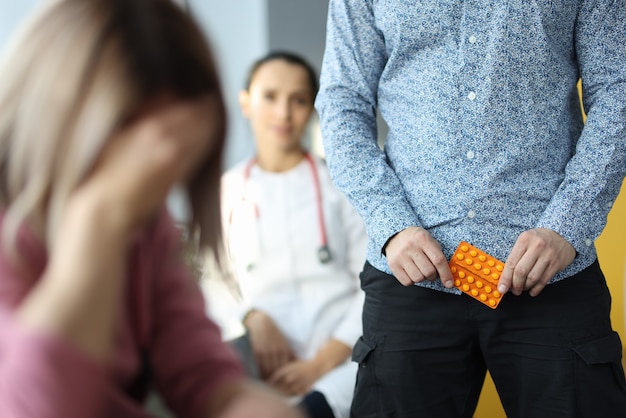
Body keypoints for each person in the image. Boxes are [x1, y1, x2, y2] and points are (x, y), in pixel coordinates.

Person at [315, 1, 626, 417]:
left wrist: (567, 225)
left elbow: (618, 92)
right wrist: (391, 223)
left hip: (551, 276)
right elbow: (341, 103)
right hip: (409, 279)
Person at [0, 1, 306, 417]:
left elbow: (203, 376)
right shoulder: (60, 225)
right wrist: (99, 220)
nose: (157, 195)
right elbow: (36, 407)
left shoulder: (147, 229)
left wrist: (249, 405)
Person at [203, 51, 367, 418]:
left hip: (340, 368)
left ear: (312, 108)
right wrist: (251, 317)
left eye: (298, 100)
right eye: (270, 96)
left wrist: (321, 364)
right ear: (245, 102)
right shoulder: (225, 192)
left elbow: (370, 282)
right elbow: (213, 283)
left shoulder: (341, 188)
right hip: (260, 372)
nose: (283, 113)